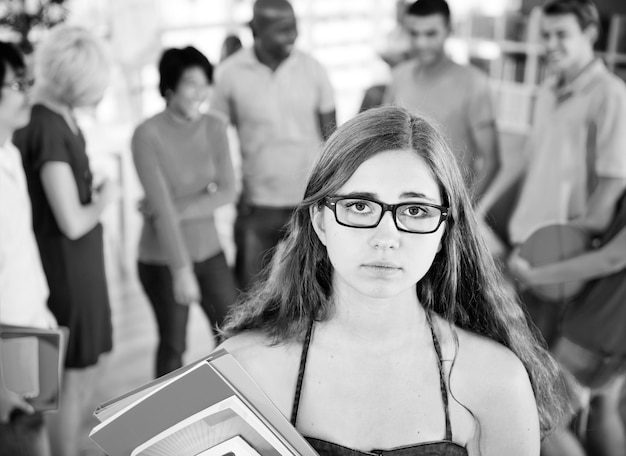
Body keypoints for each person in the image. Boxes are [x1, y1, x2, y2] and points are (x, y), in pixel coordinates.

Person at [218, 106, 570, 455]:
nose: (385, 237)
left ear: (444, 232)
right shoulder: (241, 370)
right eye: (359, 206)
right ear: (321, 222)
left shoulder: (496, 381)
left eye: (415, 211)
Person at [13, 26, 117, 456]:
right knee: (71, 378)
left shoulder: (57, 118)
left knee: (81, 373)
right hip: (67, 268)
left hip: (77, 264)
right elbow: (72, 221)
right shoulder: (48, 127)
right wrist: (106, 198)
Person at [507, 0, 626, 348]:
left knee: (549, 371)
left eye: (562, 34)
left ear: (590, 33)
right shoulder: (545, 90)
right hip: (526, 242)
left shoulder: (612, 95)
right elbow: (536, 167)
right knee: (521, 352)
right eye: (545, 34)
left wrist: (569, 246)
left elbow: (613, 183)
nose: (550, 44)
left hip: (562, 251)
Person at [211, 0, 336, 291]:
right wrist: (231, 189)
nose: (293, 35)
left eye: (294, 27)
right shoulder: (229, 74)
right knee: (250, 295)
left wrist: (330, 196)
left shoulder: (314, 70)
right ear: (256, 30)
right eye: (282, 29)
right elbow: (214, 139)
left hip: (308, 202)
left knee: (315, 291)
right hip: (256, 204)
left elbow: (332, 139)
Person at [131, 46, 238, 378]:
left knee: (233, 334)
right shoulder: (146, 135)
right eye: (192, 83)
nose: (201, 92)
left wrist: (174, 208)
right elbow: (162, 214)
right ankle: (162, 422)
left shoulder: (215, 126)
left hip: (209, 249)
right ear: (169, 87)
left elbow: (229, 190)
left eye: (206, 82)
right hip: (162, 259)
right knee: (173, 343)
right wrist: (181, 270)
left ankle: (233, 403)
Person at [509, 190, 626, 456]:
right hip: (616, 335)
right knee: (603, 406)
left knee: (546, 419)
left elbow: (612, 258)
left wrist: (534, 275)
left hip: (599, 325)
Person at [383, 0, 500, 203]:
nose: (421, 43)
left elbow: (491, 161)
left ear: (448, 30)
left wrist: (464, 209)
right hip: (396, 200)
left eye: (431, 34)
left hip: (448, 204)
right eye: (414, 33)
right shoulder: (399, 76)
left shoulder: (474, 83)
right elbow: (384, 138)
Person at [0, 40, 56, 456]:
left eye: (28, 82)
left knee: (37, 432)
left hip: (31, 323)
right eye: (18, 84)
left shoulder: (10, 152)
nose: (29, 93)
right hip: (8, 337)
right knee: (25, 440)